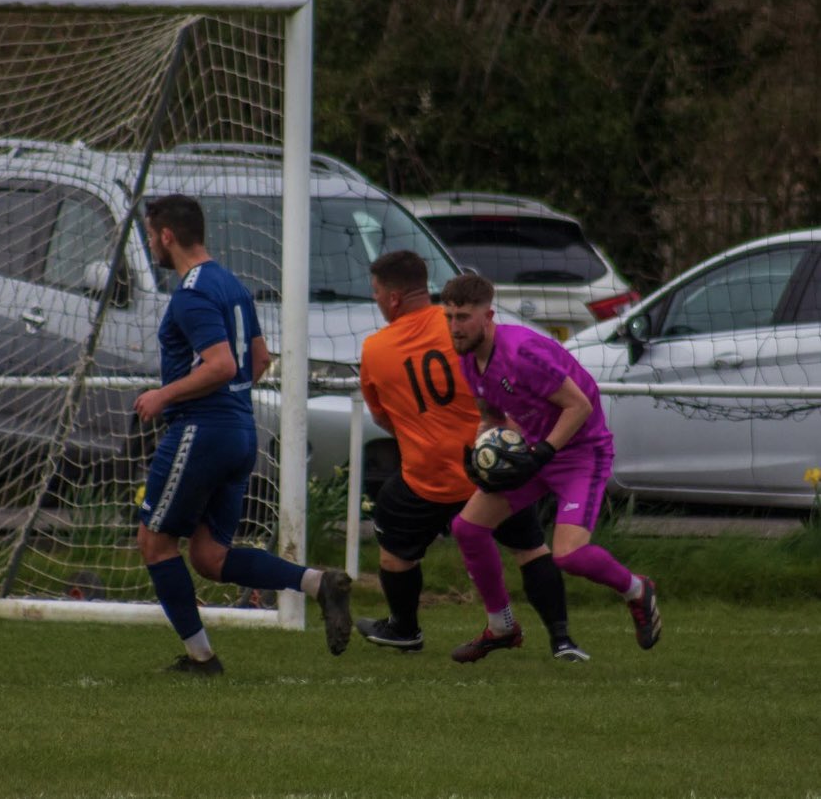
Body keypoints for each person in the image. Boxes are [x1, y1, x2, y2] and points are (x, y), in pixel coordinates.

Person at [134, 194, 352, 675]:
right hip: (239, 432)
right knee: (211, 556)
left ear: (167, 235)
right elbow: (259, 360)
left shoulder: (191, 293)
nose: (151, 244)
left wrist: (165, 395)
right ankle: (318, 583)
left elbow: (224, 364)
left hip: (202, 430)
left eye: (151, 235)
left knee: (154, 542)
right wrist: (225, 400)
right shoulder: (231, 284)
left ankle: (201, 659)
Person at [356, 250, 588, 662]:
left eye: (375, 292)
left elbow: (385, 420)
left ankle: (404, 628)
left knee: (394, 546)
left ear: (391, 299)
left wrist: (421, 433)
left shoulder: (375, 349)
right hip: (489, 469)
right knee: (530, 549)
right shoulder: (461, 327)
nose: (375, 301)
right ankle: (562, 639)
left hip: (428, 478)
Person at [440, 272, 661, 662]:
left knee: (569, 556)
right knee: (468, 528)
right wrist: (481, 454)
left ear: (488, 316)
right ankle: (502, 626)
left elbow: (579, 406)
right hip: (534, 447)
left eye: (463, 318)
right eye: (450, 317)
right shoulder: (470, 362)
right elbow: (493, 416)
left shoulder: (521, 353)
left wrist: (542, 452)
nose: (455, 327)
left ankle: (636, 589)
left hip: (580, 453)